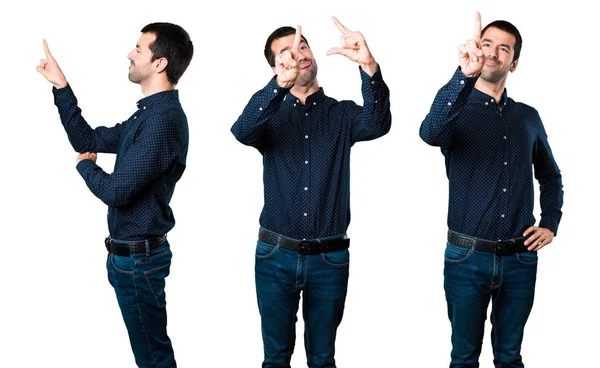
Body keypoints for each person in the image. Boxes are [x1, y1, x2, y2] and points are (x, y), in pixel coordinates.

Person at [231, 17, 391, 368]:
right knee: (275, 359)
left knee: (322, 358)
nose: (298, 54)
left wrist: (369, 67)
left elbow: (378, 123)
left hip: (329, 258)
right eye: (286, 53)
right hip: (275, 255)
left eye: (302, 46)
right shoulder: (267, 116)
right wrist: (278, 86)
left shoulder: (342, 113)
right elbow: (241, 131)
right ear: (276, 66)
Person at [36, 22, 193, 368]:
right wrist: (62, 87)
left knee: (153, 357)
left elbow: (117, 191)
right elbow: (88, 140)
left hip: (139, 262)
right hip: (128, 258)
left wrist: (84, 167)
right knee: (149, 353)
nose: (129, 53)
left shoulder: (163, 121)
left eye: (139, 49)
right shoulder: (148, 115)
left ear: (160, 64)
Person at [419, 12, 564, 368]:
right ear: (475, 51)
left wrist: (551, 222)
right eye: (487, 44)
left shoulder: (527, 117)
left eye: (504, 49)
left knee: (510, 357)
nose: (494, 53)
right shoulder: (456, 109)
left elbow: (550, 175)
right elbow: (429, 133)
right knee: (464, 357)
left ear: (514, 63)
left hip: (520, 258)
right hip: (467, 257)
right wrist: (461, 78)